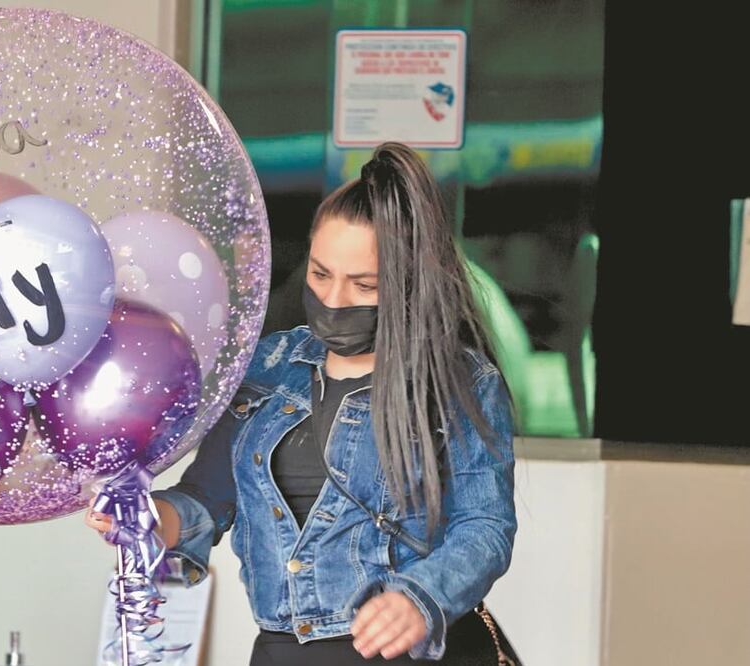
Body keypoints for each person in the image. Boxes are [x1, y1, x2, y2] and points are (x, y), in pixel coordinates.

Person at [87, 142, 519, 664]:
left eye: (363, 284)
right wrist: (152, 519)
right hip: (281, 651)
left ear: (408, 283)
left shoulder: (459, 382)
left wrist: (420, 599)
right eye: (320, 274)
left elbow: (485, 528)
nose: (334, 300)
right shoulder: (268, 366)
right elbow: (209, 498)